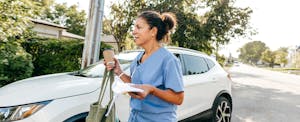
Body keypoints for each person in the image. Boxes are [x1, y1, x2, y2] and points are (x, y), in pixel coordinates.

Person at [105, 11, 184, 122]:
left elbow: (178, 98)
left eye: (139, 27)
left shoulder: (169, 60)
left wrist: (152, 90)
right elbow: (136, 85)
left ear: (153, 31)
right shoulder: (138, 58)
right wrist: (119, 72)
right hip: (135, 118)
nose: (133, 32)